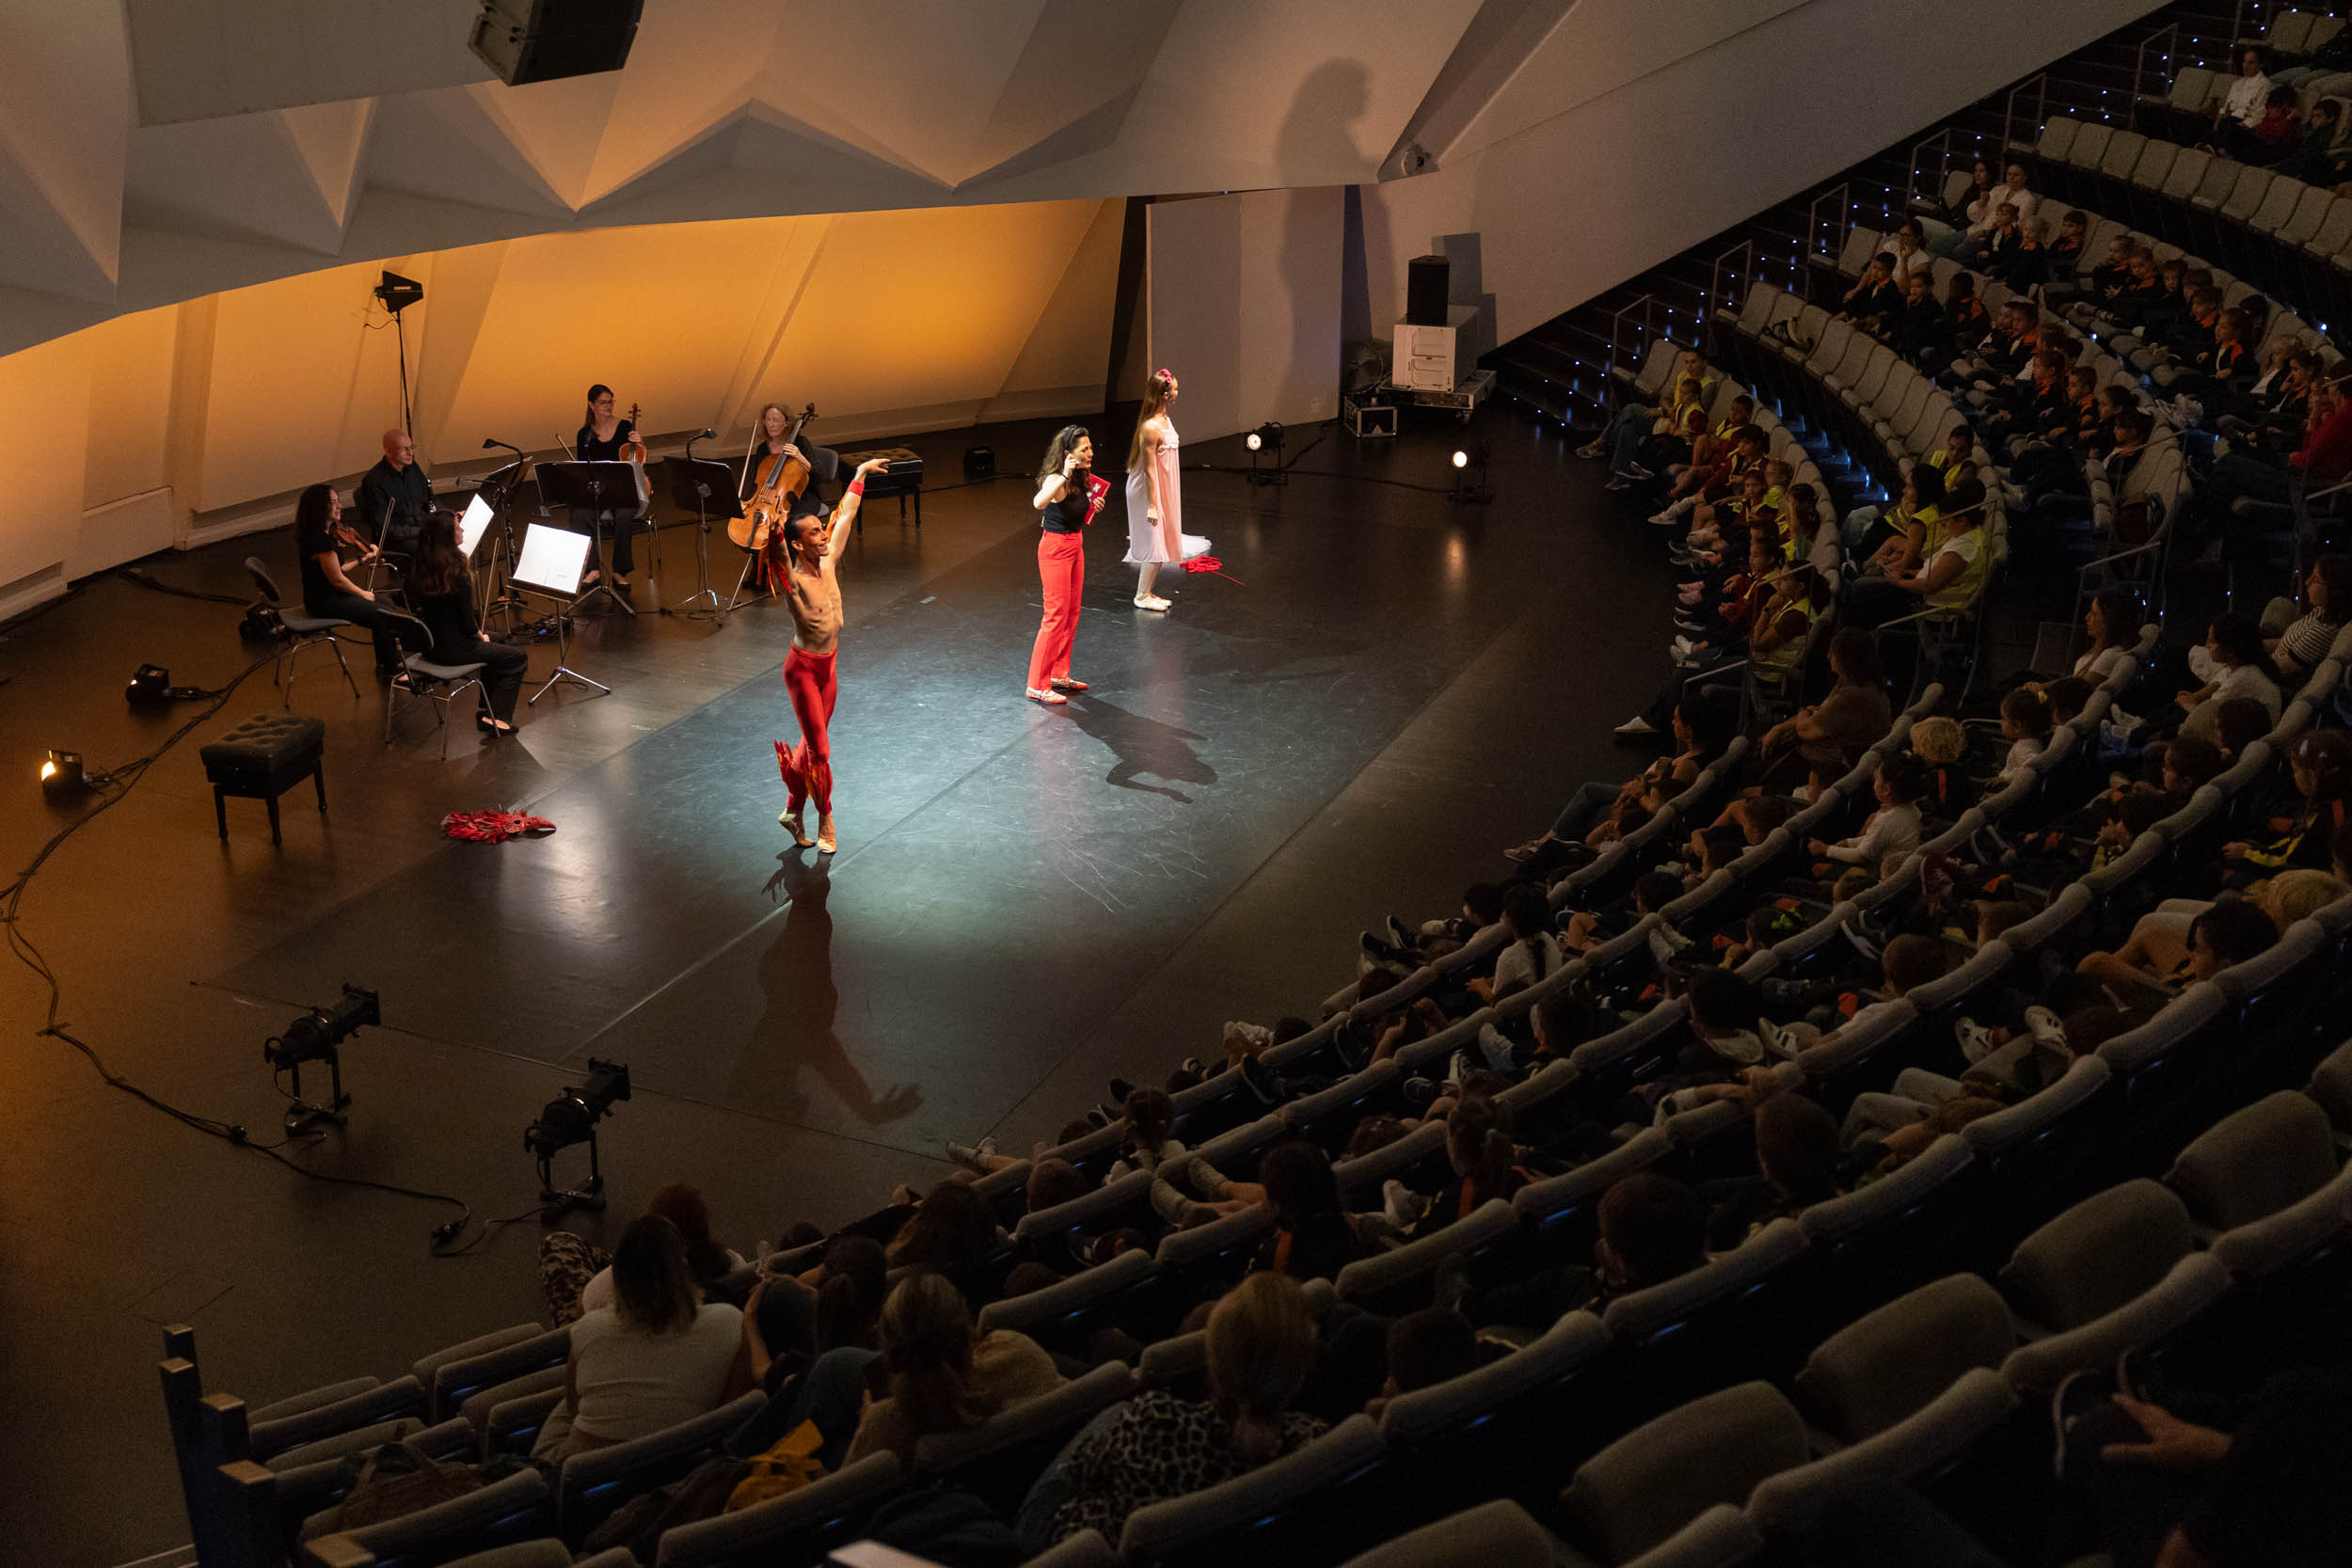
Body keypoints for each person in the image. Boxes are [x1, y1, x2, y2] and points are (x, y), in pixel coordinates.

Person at [1031, 1272, 1325, 1548]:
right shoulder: (1315, 1444)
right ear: (1299, 1374)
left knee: (1114, 1409)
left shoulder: (1156, 1421)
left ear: (1215, 1368)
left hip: (1064, 1539)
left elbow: (1080, 1470)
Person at [537, 1214, 749, 1460]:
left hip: (584, 1475)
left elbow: (574, 1410)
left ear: (616, 1277)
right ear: (682, 1268)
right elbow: (727, 1416)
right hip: (682, 1471)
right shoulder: (731, 1322)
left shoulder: (588, 1329)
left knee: (562, 1401)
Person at [772, 455, 891, 854]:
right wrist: (773, 538)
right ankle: (825, 817)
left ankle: (792, 809)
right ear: (797, 543)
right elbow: (777, 561)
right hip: (803, 671)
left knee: (809, 746)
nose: (823, 537)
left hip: (830, 667)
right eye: (814, 534)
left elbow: (846, 519)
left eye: (822, 530)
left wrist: (857, 477)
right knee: (821, 751)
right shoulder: (796, 580)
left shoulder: (830, 561)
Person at [840, 1272, 1065, 1468]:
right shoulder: (1019, 1353)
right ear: (967, 1330)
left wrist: (866, 1421)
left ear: (890, 1353)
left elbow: (843, 1499)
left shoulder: (884, 1426)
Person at [406, 507, 531, 734]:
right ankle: (499, 719)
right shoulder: (456, 571)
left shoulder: (420, 565)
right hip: (455, 649)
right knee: (517, 658)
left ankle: (487, 711)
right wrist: (479, 636)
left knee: (500, 639)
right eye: (457, 527)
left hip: (430, 645)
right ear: (448, 536)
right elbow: (467, 623)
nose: (462, 529)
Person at [292, 483, 410, 683]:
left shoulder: (324, 533)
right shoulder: (320, 539)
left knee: (387, 605)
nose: (340, 506)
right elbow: (337, 580)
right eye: (333, 502)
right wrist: (363, 594)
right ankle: (392, 670)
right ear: (320, 507)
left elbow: (336, 568)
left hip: (328, 594)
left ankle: (384, 662)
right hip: (323, 601)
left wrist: (361, 560)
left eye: (338, 501)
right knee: (382, 614)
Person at [1026, 424, 1102, 705]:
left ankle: (1058, 673)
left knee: (1071, 612)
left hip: (1075, 544)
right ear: (1069, 454)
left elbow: (1075, 513)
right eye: (1085, 449)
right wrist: (1065, 474)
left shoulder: (1082, 477)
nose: (1091, 453)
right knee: (1055, 615)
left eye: (1091, 447)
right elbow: (1039, 503)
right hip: (1055, 548)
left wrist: (1094, 507)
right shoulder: (1055, 478)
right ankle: (1036, 683)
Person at [1124, 369, 1208, 612]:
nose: (1177, 392)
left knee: (1163, 541)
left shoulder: (1165, 421)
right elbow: (1149, 470)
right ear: (1164, 394)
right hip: (1148, 489)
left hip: (1162, 486)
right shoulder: (1150, 428)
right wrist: (1152, 504)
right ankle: (1142, 595)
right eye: (1175, 389)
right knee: (1155, 544)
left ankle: (1147, 592)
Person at [573, 384, 644, 587]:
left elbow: (638, 458)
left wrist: (640, 442)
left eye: (611, 401)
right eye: (603, 402)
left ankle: (620, 571)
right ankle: (593, 568)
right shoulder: (584, 434)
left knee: (624, 514)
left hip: (622, 487)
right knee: (578, 513)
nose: (608, 406)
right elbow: (582, 467)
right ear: (591, 405)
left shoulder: (624, 427)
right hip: (597, 489)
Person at [356, 428, 433, 562]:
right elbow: (386, 527)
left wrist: (447, 516)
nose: (411, 453)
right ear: (388, 451)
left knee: (451, 535)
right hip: (395, 538)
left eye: (411, 447)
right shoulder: (374, 481)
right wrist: (419, 532)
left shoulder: (412, 467)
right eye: (404, 449)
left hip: (419, 525)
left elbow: (430, 498)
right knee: (430, 550)